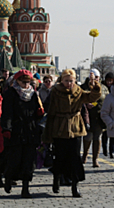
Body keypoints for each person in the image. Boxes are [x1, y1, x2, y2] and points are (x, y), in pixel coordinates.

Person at [43, 69, 101, 198]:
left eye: (71, 81)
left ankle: (75, 186)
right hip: (59, 128)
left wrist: (94, 85)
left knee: (75, 158)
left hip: (75, 127)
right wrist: (49, 132)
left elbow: (92, 97)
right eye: (66, 80)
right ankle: (57, 178)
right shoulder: (55, 92)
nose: (69, 83)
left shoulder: (78, 91)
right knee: (59, 157)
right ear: (62, 80)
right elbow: (50, 110)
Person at [1, 69, 43, 198]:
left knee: (29, 161)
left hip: (30, 131)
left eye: (28, 82)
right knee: (15, 159)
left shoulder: (34, 94)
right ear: (17, 81)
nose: (26, 84)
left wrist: (39, 113)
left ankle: (26, 188)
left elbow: (37, 111)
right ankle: (8, 178)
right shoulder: (10, 94)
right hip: (16, 131)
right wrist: (7, 128)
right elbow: (7, 113)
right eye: (23, 82)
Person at [81, 69, 109, 168]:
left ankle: (95, 159)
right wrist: (85, 104)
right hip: (87, 117)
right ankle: (85, 154)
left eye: (96, 77)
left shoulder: (104, 88)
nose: (95, 79)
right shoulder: (83, 87)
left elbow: (106, 100)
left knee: (97, 138)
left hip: (99, 117)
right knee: (87, 137)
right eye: (93, 77)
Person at [101, 72, 114, 159]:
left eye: (111, 81)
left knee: (113, 133)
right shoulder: (102, 88)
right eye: (108, 81)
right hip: (104, 112)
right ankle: (105, 149)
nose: (109, 82)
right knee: (105, 133)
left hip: (113, 113)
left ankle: (112, 151)